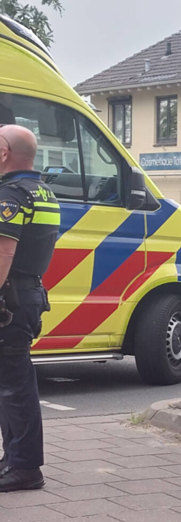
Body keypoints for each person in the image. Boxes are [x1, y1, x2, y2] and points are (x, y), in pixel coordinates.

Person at [0, 125, 60, 492]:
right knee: (11, 382)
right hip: (26, 296)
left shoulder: (10, 194)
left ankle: (24, 467)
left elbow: (4, 253)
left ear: (4, 152)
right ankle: (15, 459)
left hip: (10, 300)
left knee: (13, 385)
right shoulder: (43, 192)